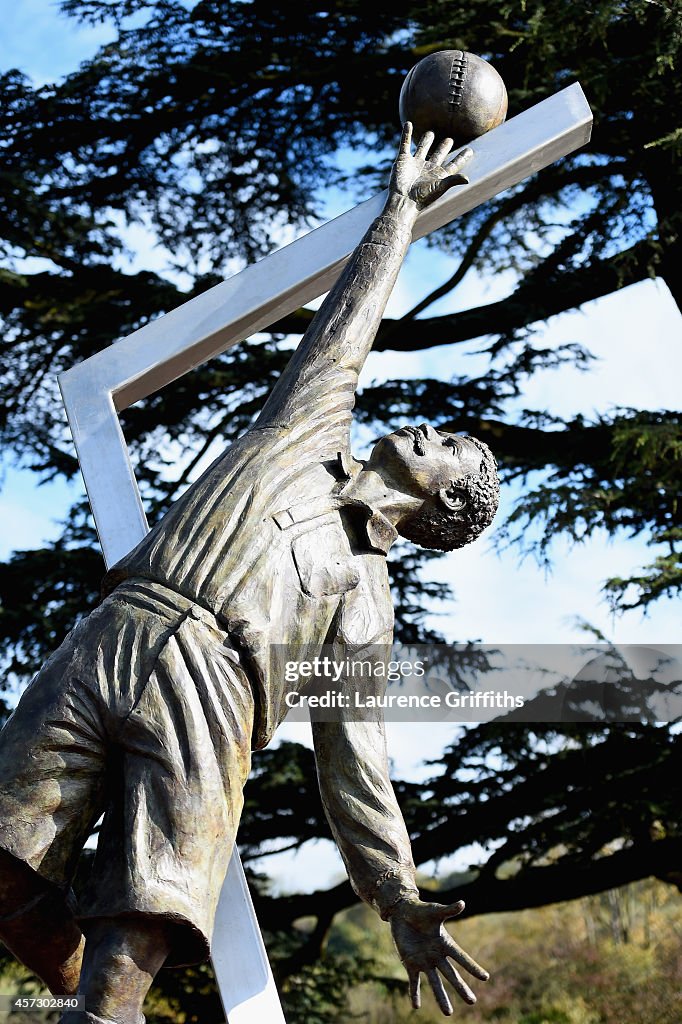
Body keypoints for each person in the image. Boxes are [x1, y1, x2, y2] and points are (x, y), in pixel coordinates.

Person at [0, 124, 499, 1023]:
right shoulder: (307, 432)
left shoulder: (367, 601)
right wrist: (400, 205)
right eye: (444, 427)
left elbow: (356, 758)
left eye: (454, 448)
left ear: (442, 509)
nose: (434, 429)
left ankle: (100, 1009)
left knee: (147, 905)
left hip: (215, 698)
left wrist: (396, 892)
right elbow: (349, 325)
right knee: (3, 843)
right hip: (117, 628)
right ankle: (74, 989)